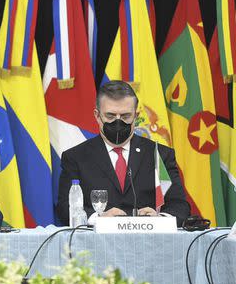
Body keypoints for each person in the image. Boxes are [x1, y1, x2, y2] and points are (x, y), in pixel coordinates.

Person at [56, 80, 190, 226]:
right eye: (110, 116)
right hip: (96, 243)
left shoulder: (160, 155)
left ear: (136, 116)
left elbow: (180, 206)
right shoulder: (76, 157)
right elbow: (65, 209)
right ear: (97, 115)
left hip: (148, 242)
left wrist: (159, 218)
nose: (118, 123)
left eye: (125, 116)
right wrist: (98, 219)